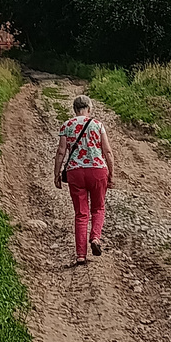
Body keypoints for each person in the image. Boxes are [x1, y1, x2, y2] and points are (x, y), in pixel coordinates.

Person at [54, 94, 115, 266]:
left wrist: (56, 173)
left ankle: (81, 255)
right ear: (89, 108)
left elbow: (60, 152)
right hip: (97, 170)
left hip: (75, 172)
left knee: (81, 214)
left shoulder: (67, 125)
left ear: (74, 109)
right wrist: (112, 172)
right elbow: (108, 151)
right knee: (98, 208)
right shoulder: (98, 125)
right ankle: (95, 238)